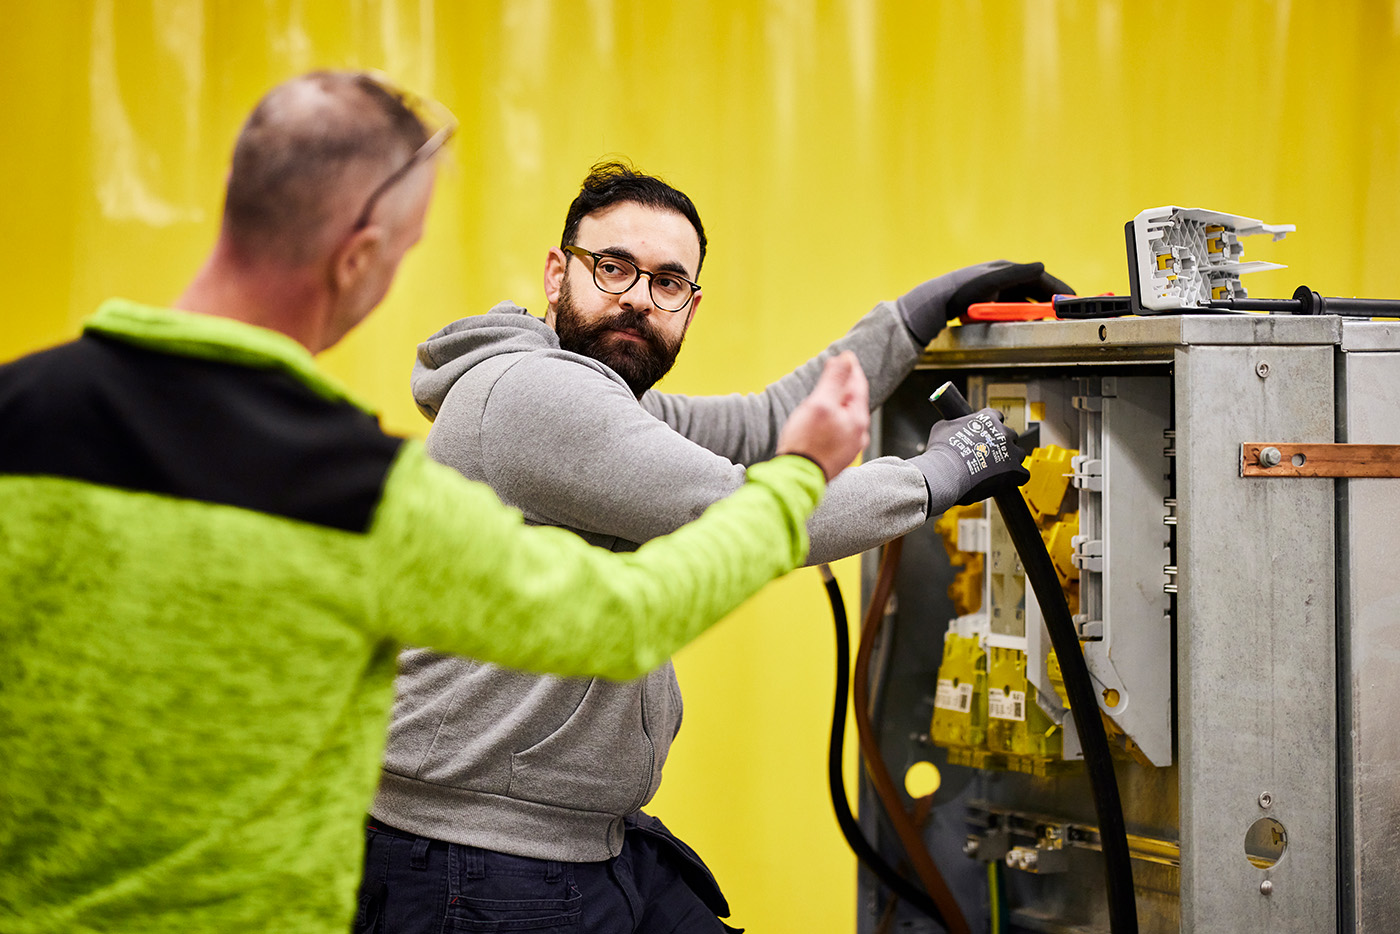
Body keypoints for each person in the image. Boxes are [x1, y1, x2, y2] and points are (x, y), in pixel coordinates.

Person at [0, 77, 872, 934]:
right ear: (360, 256)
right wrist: (798, 476)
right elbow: (624, 620)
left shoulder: (18, 413)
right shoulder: (355, 490)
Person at [363, 161, 1067, 932]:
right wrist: (942, 471)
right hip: (479, 865)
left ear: (691, 307)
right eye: (613, 267)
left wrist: (912, 316)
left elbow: (768, 424)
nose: (637, 296)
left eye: (669, 282)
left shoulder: (602, 395)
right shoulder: (535, 395)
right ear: (557, 272)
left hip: (563, 841)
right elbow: (741, 508)